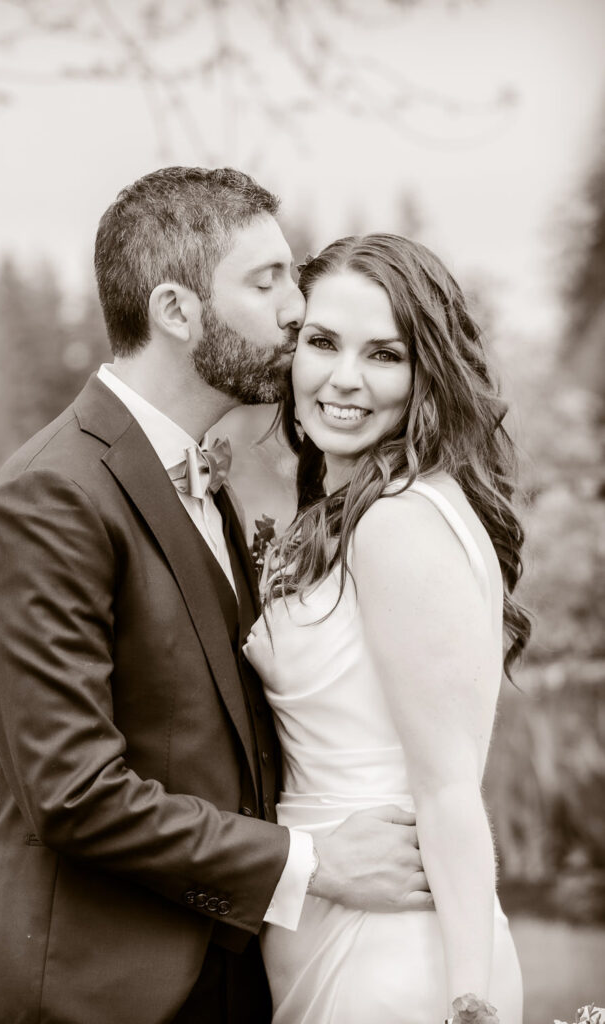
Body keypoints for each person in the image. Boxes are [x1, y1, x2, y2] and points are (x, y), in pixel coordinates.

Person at [0, 171, 431, 1024]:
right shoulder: (49, 498)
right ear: (175, 309)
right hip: (86, 995)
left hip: (223, 974)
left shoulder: (198, 479)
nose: (294, 310)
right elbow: (72, 791)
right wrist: (310, 863)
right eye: (265, 280)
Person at [244, 233, 529, 1023]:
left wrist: (466, 997)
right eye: (322, 343)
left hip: (391, 952)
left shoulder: (397, 524)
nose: (343, 379)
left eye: (384, 355)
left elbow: (445, 789)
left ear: (425, 373)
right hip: (328, 919)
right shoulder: (357, 513)